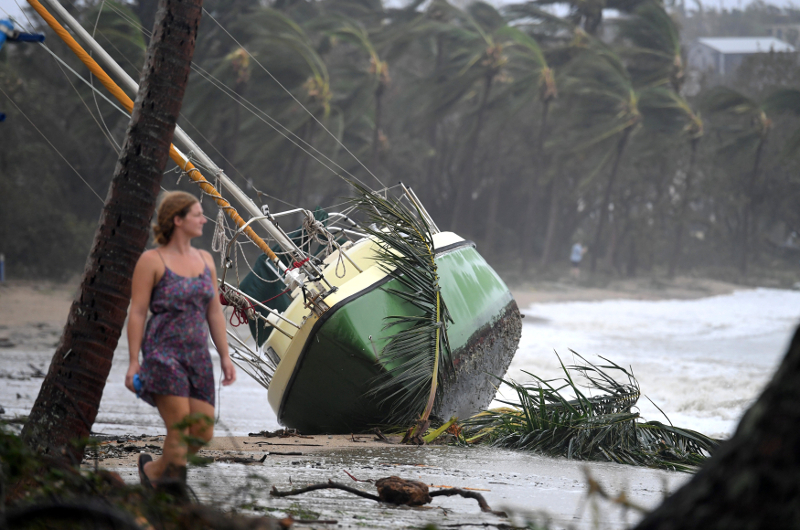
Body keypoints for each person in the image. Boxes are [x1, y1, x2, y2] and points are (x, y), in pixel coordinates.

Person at [125, 191, 236, 488]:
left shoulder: (205, 260)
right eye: (197, 214)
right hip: (163, 354)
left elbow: (214, 312)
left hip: (198, 356)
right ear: (177, 220)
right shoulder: (152, 260)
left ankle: (154, 473)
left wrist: (225, 356)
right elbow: (137, 312)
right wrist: (134, 362)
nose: (204, 219)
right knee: (179, 427)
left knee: (202, 431)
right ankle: (174, 495)